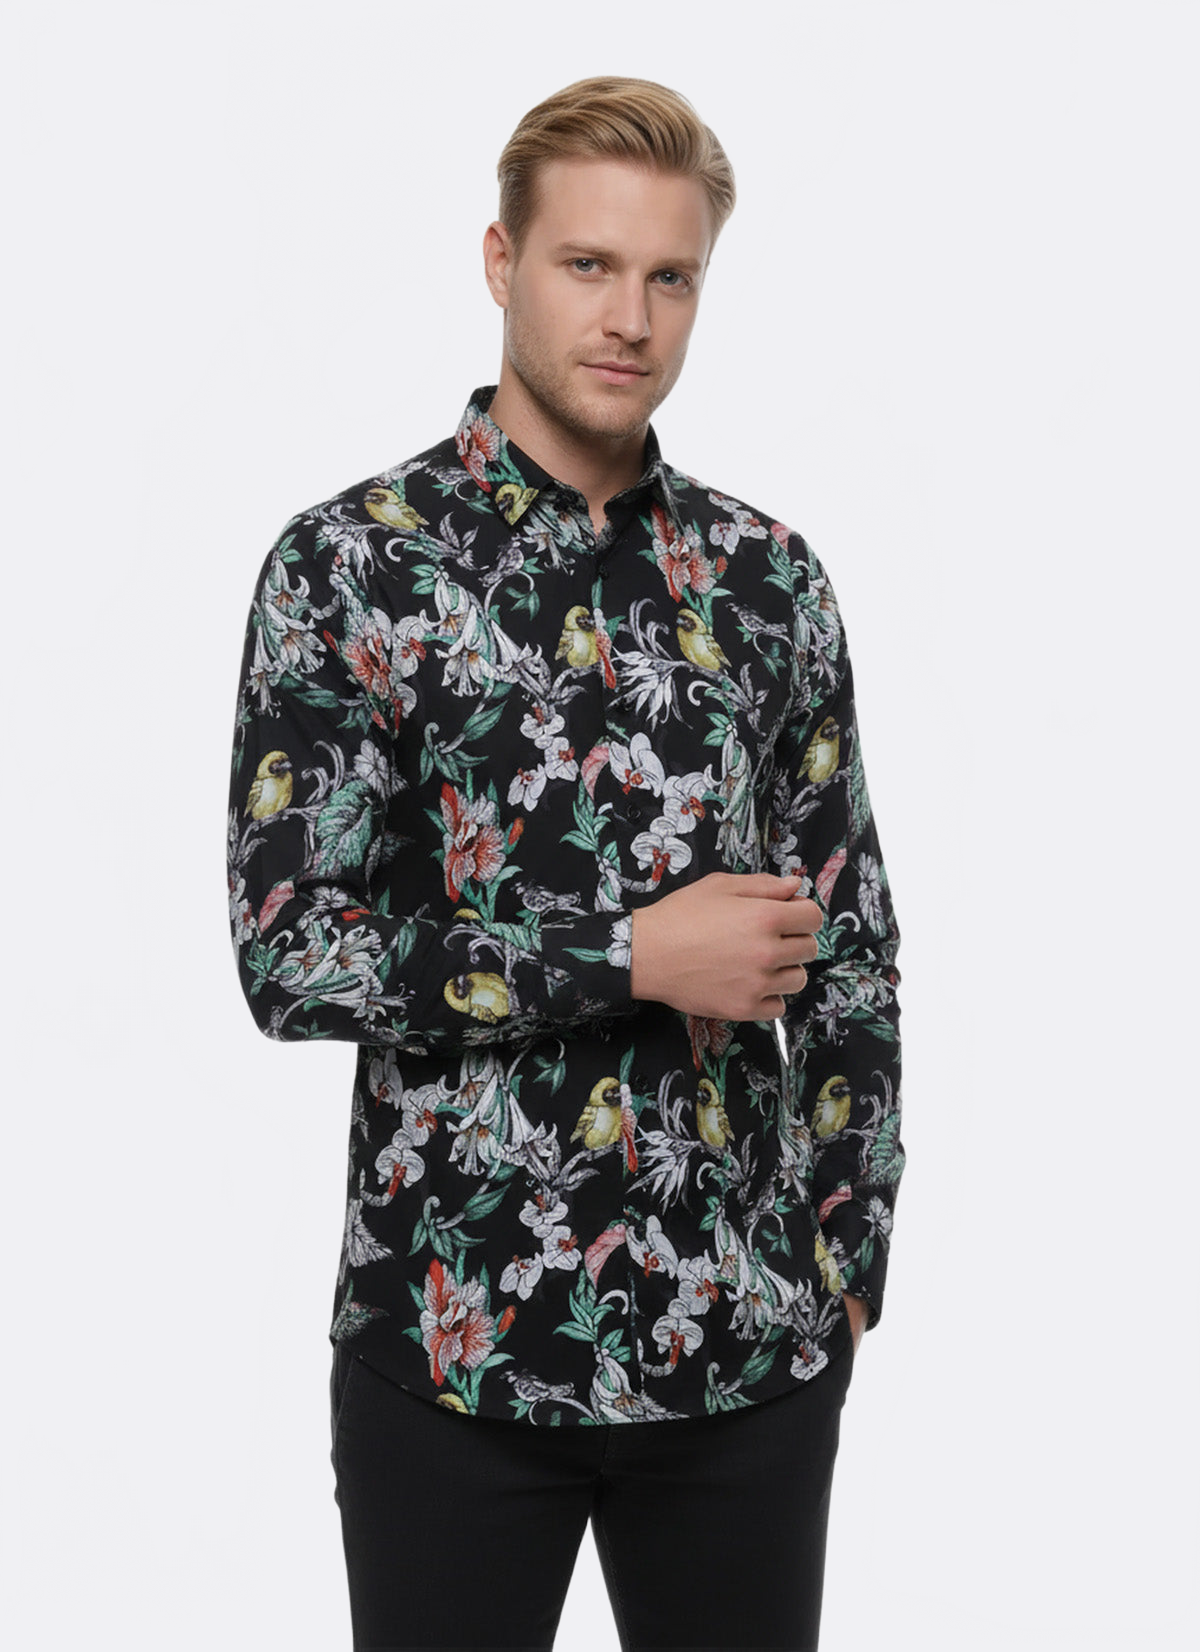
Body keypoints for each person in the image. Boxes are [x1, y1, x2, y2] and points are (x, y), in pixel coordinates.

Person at [226, 73, 904, 1652]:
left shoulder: (767, 579)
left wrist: (850, 1252)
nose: (630, 317)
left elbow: (855, 941)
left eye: (672, 277)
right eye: (588, 264)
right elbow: (289, 952)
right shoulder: (353, 567)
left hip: (746, 1353)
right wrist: (631, 955)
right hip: (449, 1352)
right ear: (501, 261)